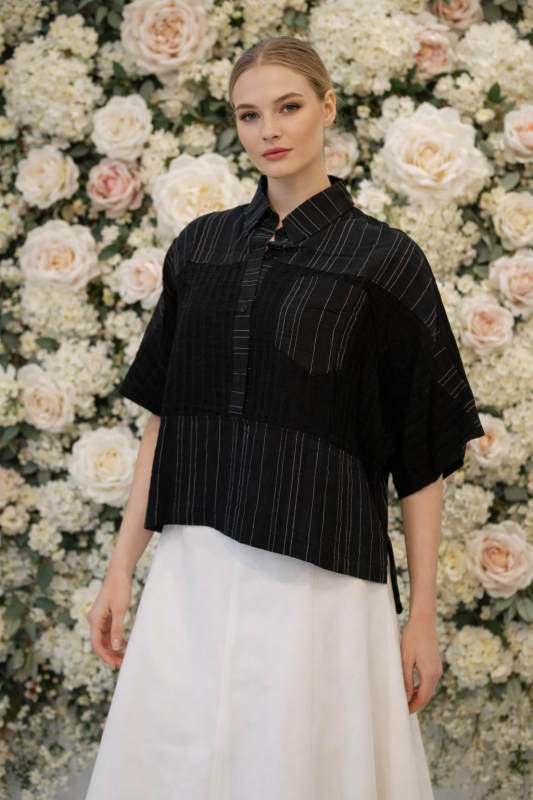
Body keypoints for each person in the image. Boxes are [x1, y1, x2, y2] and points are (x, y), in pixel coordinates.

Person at [85, 35, 485, 800]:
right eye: (248, 115)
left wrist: (421, 618)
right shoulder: (200, 248)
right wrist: (120, 569)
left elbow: (421, 457)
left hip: (318, 579)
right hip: (194, 569)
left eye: (288, 107)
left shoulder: (384, 262)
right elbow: (165, 419)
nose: (267, 130)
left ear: (326, 108)